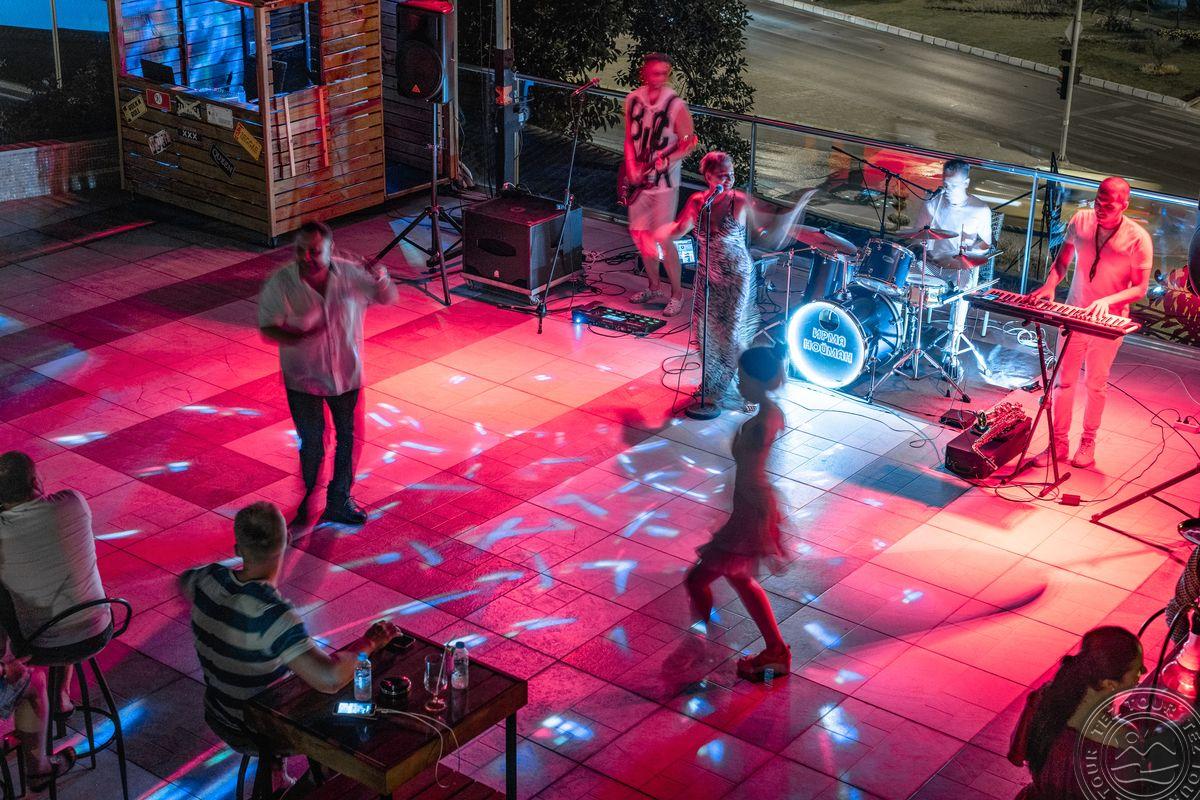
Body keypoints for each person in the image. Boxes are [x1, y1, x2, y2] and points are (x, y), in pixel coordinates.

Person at [180, 502, 401, 788]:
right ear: (287, 542)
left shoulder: (206, 579)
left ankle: (274, 773)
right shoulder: (272, 614)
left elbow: (184, 582)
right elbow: (330, 679)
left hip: (217, 711)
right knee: (352, 710)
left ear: (237, 549)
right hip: (256, 727)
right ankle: (310, 789)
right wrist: (371, 642)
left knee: (279, 669)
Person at [258, 220, 398, 528]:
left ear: (330, 249)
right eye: (300, 250)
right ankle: (309, 496)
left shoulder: (351, 274)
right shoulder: (281, 281)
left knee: (348, 438)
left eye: (314, 251)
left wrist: (380, 277)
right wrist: (296, 335)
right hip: (303, 379)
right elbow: (267, 326)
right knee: (311, 442)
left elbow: (387, 298)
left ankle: (339, 500)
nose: (306, 257)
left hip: (346, 376)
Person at [656, 151, 815, 409]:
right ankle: (711, 384)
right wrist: (658, 232)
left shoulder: (739, 201)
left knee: (730, 336)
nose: (729, 179)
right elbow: (677, 230)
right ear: (708, 177)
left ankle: (749, 387)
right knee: (705, 333)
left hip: (736, 277)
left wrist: (794, 209)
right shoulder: (698, 202)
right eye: (722, 175)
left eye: (731, 174)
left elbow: (766, 229)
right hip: (707, 277)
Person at [0, 451, 110, 789]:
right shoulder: (74, 503)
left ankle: (37, 764)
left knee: (22, 611)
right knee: (62, 586)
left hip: (42, 645)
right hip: (97, 626)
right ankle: (61, 696)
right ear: (36, 481)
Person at [1029, 177, 1152, 468]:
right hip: (1075, 314)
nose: (1101, 208)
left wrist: (1107, 301)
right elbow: (1062, 261)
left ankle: (1088, 441)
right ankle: (1058, 443)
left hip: (1109, 322)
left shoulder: (1137, 238)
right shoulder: (1081, 220)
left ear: (1124, 205)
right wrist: (1050, 284)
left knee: (1096, 384)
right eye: (1098, 201)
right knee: (1063, 382)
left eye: (1109, 205)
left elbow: (1140, 288)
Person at [684, 347, 792, 680]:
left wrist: (763, 525)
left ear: (758, 381)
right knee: (739, 579)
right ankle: (775, 649)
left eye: (743, 379)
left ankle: (705, 644)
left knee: (697, 580)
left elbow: (753, 477)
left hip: (749, 514)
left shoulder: (760, 425)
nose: (739, 384)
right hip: (751, 511)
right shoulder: (770, 414)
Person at [1008, 626, 1145, 800]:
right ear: (1109, 683)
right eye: (1137, 669)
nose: (1144, 671)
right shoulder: (1123, 737)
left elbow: (1020, 752)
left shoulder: (1042, 698)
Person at [623, 52, 696, 318]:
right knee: (640, 234)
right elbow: (629, 140)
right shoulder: (633, 100)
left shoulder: (675, 105)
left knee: (663, 237)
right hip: (640, 181)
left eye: (663, 74)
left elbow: (689, 142)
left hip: (664, 183)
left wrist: (670, 159)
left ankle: (677, 294)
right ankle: (653, 286)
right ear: (644, 73)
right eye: (655, 73)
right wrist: (631, 169)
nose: (659, 78)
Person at [910, 159, 993, 374]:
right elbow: (917, 235)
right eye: (945, 184)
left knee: (963, 290)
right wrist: (922, 244)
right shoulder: (933, 204)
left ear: (966, 183)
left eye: (954, 185)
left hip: (960, 266)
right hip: (932, 263)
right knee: (902, 278)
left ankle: (951, 349)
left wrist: (971, 247)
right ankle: (908, 338)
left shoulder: (980, 209)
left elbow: (986, 244)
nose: (948, 190)